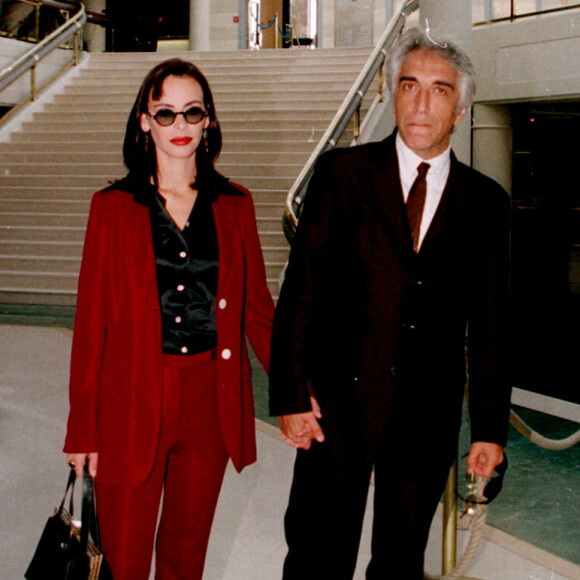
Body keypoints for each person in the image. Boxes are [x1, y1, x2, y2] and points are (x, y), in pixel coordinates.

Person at [269, 27, 511, 579]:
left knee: (401, 561)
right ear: (394, 92)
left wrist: (489, 428)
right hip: (334, 407)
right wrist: (290, 393)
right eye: (409, 86)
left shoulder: (485, 204)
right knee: (315, 554)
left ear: (461, 109)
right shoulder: (341, 175)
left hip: (427, 414)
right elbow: (302, 290)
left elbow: (493, 325)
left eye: (440, 90)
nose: (421, 103)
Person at [64, 58, 274, 580]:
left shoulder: (235, 204)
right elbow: (91, 325)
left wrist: (297, 392)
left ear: (209, 121)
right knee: (124, 557)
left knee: (185, 556)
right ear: (144, 121)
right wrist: (81, 430)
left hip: (209, 401)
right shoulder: (112, 208)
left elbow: (258, 312)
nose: (179, 126)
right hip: (131, 403)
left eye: (192, 112)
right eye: (165, 113)